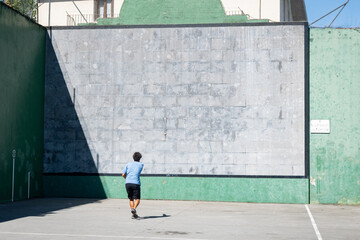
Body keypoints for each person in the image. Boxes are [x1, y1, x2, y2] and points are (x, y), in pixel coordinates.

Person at [122, 152, 144, 219]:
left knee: (131, 198)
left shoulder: (128, 164)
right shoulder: (141, 165)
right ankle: (134, 208)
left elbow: (123, 174)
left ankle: (134, 214)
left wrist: (127, 179)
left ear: (133, 157)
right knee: (137, 199)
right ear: (140, 159)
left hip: (127, 183)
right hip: (136, 183)